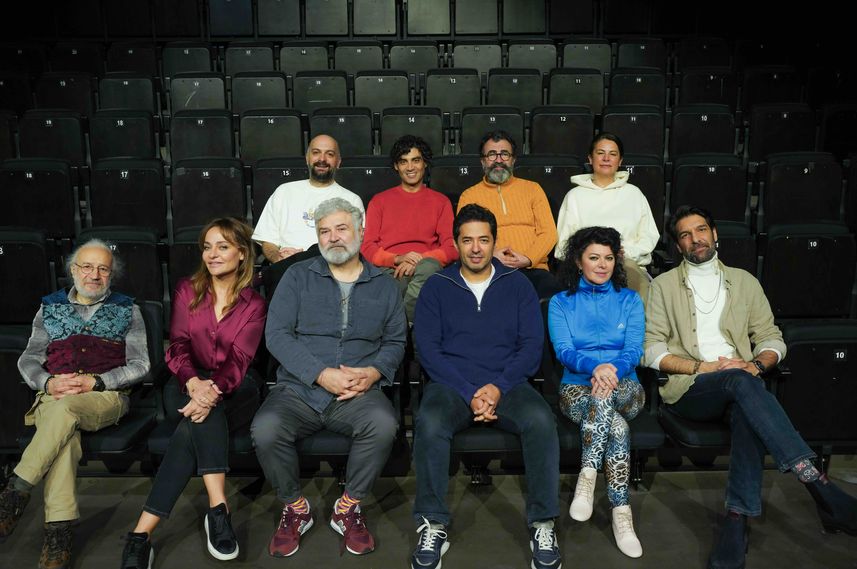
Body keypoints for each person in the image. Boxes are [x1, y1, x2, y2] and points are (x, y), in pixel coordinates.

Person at [644, 205, 857, 569]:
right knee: (739, 381)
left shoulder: (745, 282)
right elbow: (650, 349)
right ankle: (816, 481)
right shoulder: (663, 286)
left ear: (715, 235)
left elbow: (772, 338)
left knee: (746, 408)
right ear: (678, 246)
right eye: (685, 235)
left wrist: (756, 364)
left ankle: (736, 520)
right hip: (692, 389)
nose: (695, 239)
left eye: (701, 230)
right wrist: (702, 366)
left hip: (742, 385)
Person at [251, 197, 406, 558]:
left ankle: (348, 507)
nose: (333, 237)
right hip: (299, 389)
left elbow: (396, 341)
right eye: (324, 231)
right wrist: (320, 374)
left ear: (360, 231)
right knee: (265, 429)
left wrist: (374, 372)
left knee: (383, 425)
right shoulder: (297, 276)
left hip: (357, 391)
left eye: (341, 228)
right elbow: (277, 335)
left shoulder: (384, 284)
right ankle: (296, 508)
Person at [411, 204, 561, 569]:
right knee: (429, 423)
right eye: (467, 240)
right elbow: (428, 350)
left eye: (483, 240)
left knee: (542, 421)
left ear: (495, 242)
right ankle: (432, 523)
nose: (476, 248)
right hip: (451, 385)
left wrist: (498, 387)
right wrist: (468, 391)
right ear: (456, 243)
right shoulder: (437, 286)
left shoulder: (518, 285)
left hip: (508, 383)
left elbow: (531, 346)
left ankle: (543, 523)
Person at [120, 218, 266, 568]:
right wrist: (193, 383)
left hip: (238, 385)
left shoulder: (254, 303)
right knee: (200, 418)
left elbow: (240, 358)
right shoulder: (188, 289)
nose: (212, 254)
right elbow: (178, 345)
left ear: (242, 254)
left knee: (199, 416)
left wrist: (211, 390)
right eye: (207, 247)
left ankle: (140, 536)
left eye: (223, 246)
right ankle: (219, 511)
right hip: (186, 381)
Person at [0, 240, 150, 569]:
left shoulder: (128, 310)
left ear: (111, 275)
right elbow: (28, 360)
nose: (94, 275)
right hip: (54, 394)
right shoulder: (49, 308)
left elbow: (141, 366)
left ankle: (16, 490)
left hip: (105, 397)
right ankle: (58, 536)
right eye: (87, 267)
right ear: (73, 270)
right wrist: (47, 382)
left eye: (103, 269)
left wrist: (97, 382)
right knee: (64, 438)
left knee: (65, 410)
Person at [548, 226, 645, 558]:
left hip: (627, 387)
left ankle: (587, 475)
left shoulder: (630, 299)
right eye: (594, 258)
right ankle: (622, 514)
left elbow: (634, 350)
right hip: (576, 388)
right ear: (578, 261)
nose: (602, 265)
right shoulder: (561, 302)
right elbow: (563, 350)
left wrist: (610, 370)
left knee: (604, 396)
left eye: (608, 258)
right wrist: (595, 367)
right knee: (617, 428)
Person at [361, 135, 457, 324]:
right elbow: (367, 247)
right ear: (396, 166)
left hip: (428, 268)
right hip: (391, 270)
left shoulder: (441, 202)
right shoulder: (379, 201)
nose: (410, 167)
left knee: (428, 268)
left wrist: (418, 259)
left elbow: (451, 248)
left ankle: (401, 326)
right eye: (403, 162)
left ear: (425, 163)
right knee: (397, 285)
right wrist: (397, 259)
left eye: (416, 160)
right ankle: (411, 325)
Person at [252, 134, 364, 294]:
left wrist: (300, 258)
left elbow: (354, 247)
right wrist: (278, 257)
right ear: (307, 158)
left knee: (316, 251)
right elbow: (268, 242)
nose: (322, 159)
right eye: (316, 152)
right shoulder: (284, 192)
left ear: (338, 162)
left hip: (331, 274)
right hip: (285, 273)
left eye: (329, 154)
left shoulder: (351, 200)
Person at [456, 130, 562, 299]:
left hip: (533, 269)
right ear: (483, 161)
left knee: (554, 299)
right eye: (492, 154)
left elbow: (549, 233)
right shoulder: (469, 196)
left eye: (504, 154)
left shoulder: (533, 189)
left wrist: (528, 258)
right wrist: (491, 256)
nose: (499, 160)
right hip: (490, 269)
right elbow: (464, 237)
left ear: (513, 159)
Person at [555, 132, 659, 302]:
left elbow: (649, 236)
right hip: (587, 268)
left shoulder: (634, 194)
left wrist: (626, 253)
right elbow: (563, 244)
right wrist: (592, 257)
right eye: (600, 153)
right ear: (590, 158)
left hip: (628, 264)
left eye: (612, 154)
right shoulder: (575, 196)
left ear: (620, 161)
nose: (606, 158)